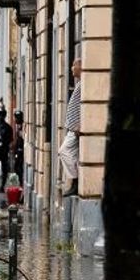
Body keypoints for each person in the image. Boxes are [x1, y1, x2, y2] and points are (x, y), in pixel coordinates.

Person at [60, 57, 81, 197]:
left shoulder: (84, 83)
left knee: (64, 151)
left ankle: (76, 180)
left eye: (74, 64)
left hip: (76, 129)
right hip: (73, 128)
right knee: (68, 153)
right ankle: (75, 181)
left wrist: (78, 125)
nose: (71, 68)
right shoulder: (80, 83)